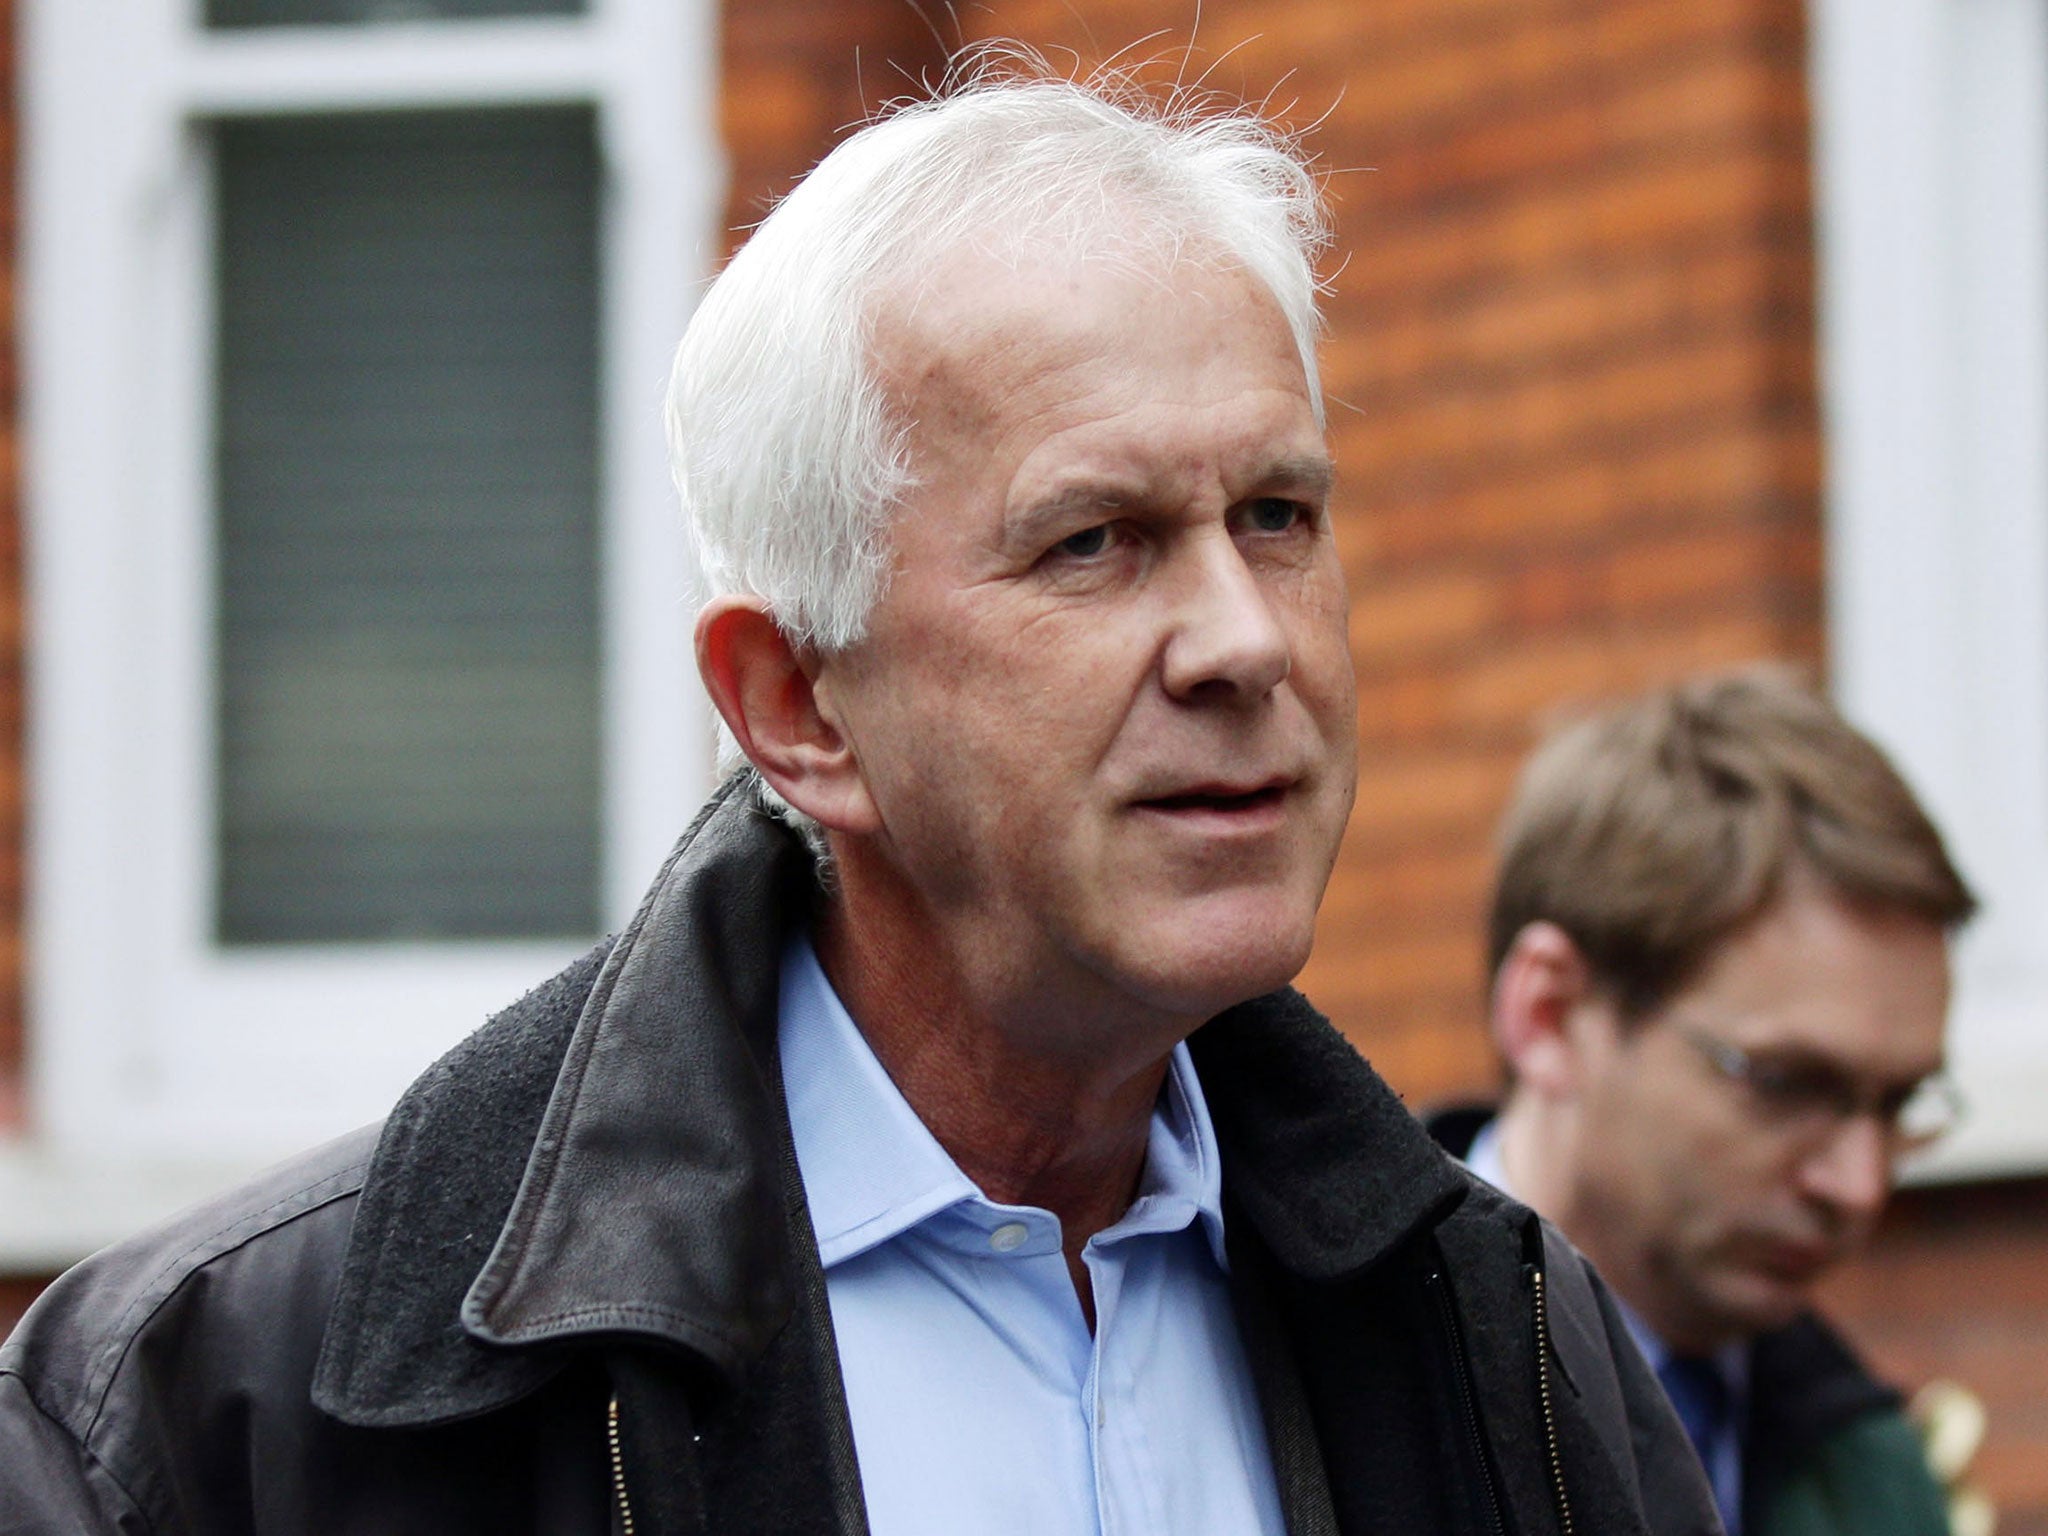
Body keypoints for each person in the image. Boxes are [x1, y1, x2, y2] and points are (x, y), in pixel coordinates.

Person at [2, 66, 1717, 1535]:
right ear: (796, 704)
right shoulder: (220, 1406)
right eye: (1093, 541)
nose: (1241, 640)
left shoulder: (1504, 1344)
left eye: (1276, 515)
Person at [1433, 667, 1977, 1536]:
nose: (1860, 1184)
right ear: (1553, 1016)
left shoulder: (1875, 1473)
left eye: (1899, 1103)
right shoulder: (1311, 1386)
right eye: (1788, 1082)